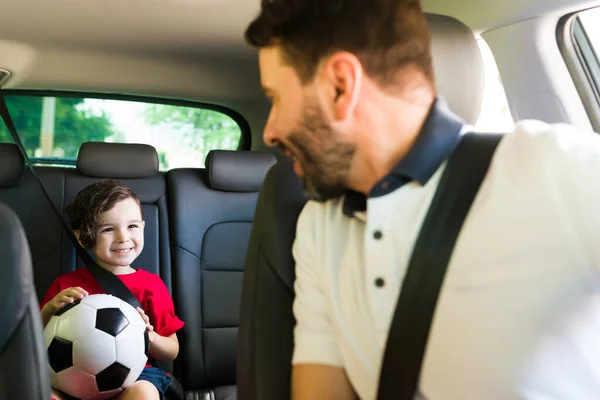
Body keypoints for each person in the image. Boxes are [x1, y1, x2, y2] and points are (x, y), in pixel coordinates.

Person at [245, 0, 600, 399]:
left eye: (275, 98)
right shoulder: (319, 226)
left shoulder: (554, 169)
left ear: (341, 86)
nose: (270, 131)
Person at [40, 180, 184, 400]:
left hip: (134, 377)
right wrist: (50, 309)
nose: (123, 237)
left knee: (144, 393)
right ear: (83, 237)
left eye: (132, 226)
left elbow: (172, 351)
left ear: (143, 227)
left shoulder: (151, 286)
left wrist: (150, 336)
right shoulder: (65, 286)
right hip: (69, 378)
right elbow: (33, 338)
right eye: (108, 229)